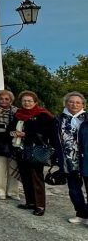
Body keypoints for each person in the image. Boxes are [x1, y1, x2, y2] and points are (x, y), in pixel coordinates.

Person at [11, 91, 56, 216]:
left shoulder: (43, 115)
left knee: (36, 177)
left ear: (35, 102)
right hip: (21, 149)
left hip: (36, 150)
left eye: (29, 101)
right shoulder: (18, 114)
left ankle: (40, 205)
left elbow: (47, 133)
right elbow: (11, 128)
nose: (27, 103)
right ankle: (30, 202)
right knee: (25, 177)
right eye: (24, 101)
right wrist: (13, 133)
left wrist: (26, 134)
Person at [56, 92, 88, 224]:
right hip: (68, 160)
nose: (74, 104)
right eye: (71, 102)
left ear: (82, 104)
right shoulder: (59, 119)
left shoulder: (86, 118)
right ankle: (81, 214)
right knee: (74, 189)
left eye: (77, 102)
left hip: (86, 159)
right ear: (66, 103)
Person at [0, 89, 20, 200]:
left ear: (11, 100)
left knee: (13, 166)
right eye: (1, 99)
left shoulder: (17, 111)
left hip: (13, 140)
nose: (4, 101)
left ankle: (13, 191)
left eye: (7, 99)